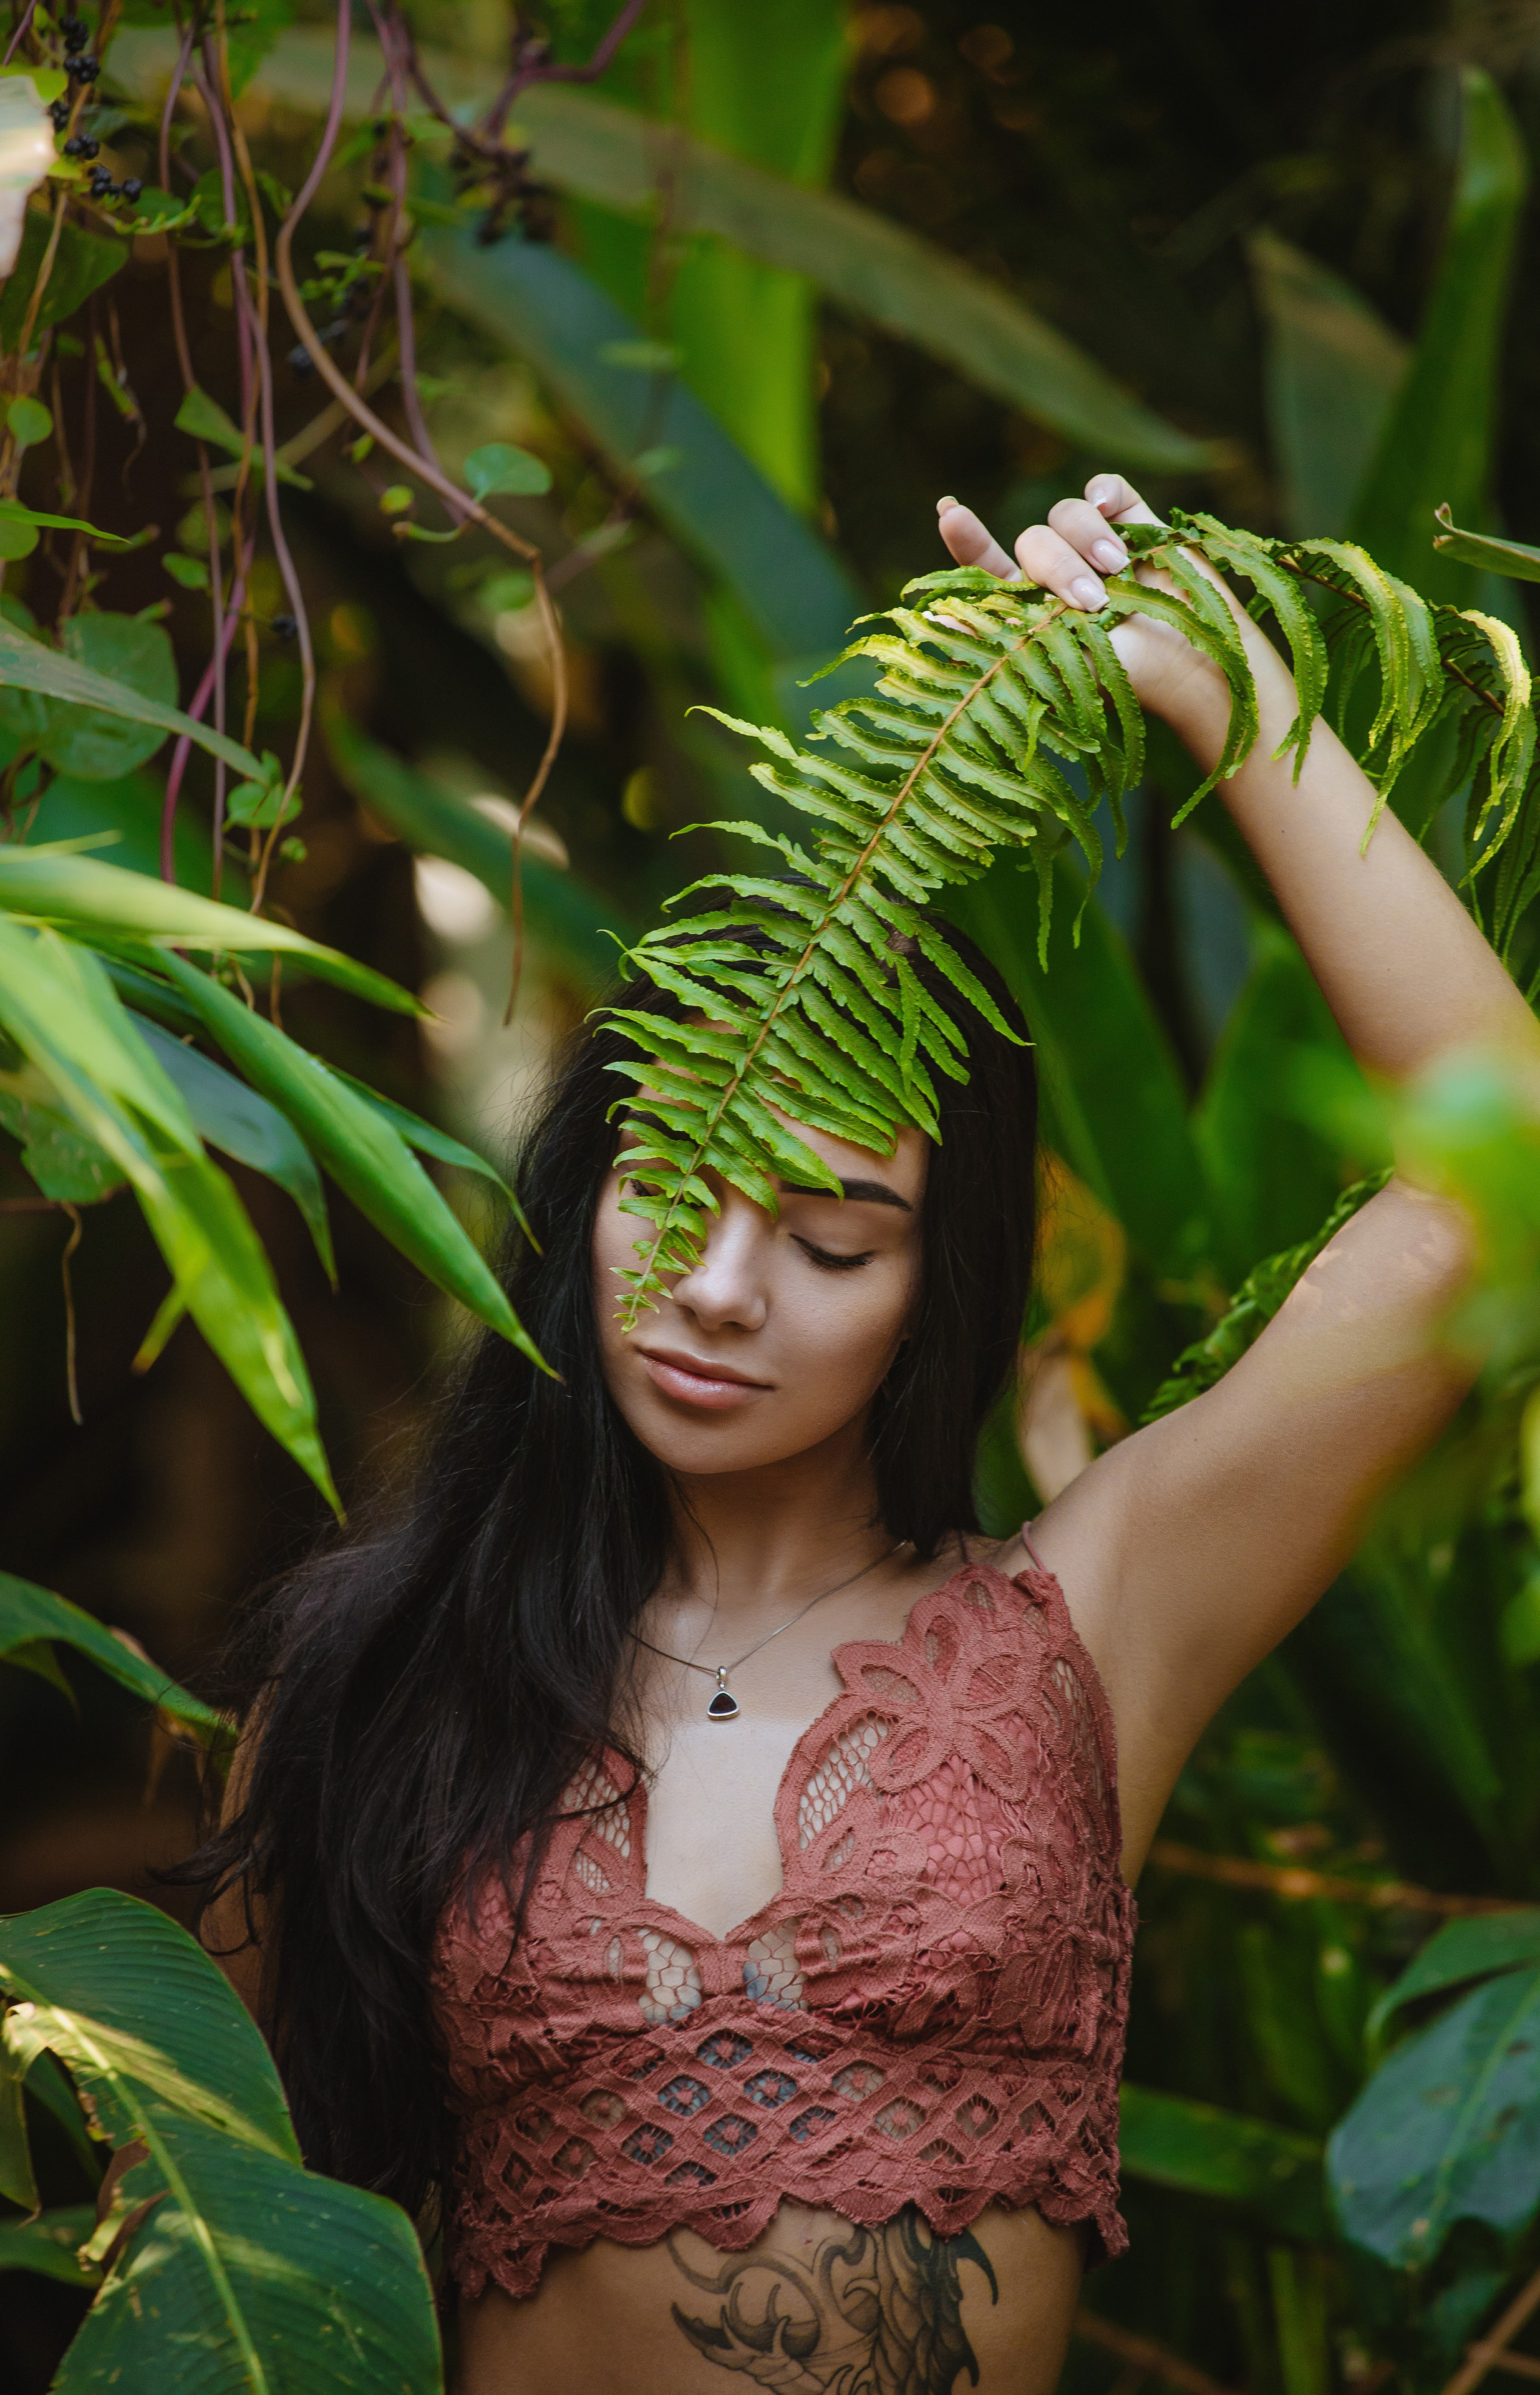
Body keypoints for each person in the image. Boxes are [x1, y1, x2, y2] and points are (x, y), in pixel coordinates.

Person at [197, 474, 1536, 2395]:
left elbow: (1497, 1176)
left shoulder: (1091, 1624)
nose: (724, 1287)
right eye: (677, 1191)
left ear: (935, 1294)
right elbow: (212, 2237)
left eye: (832, 1243)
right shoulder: (393, 1671)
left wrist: (1218, 689)